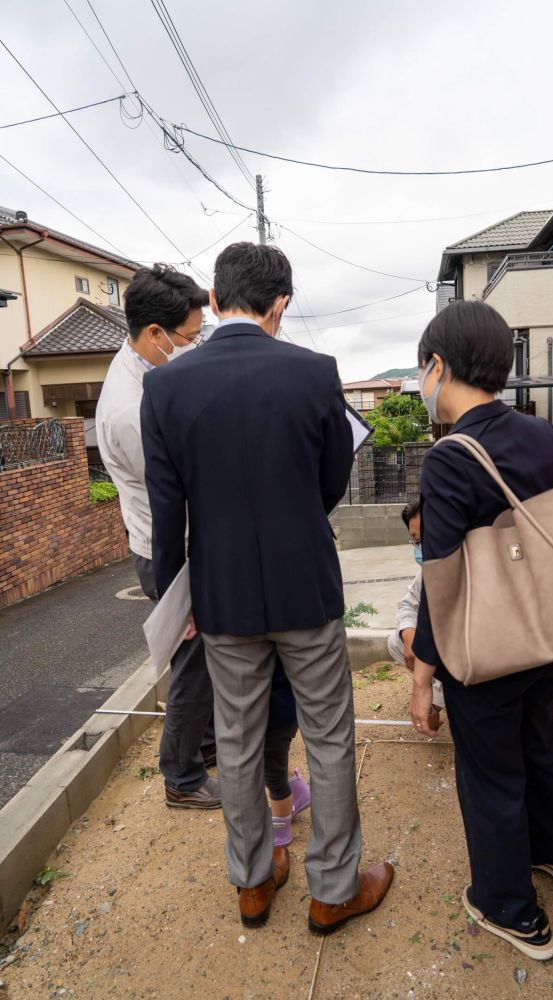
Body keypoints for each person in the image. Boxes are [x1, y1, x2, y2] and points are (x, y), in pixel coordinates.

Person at [140, 242, 394, 932]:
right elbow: (330, 482)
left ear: (216, 302)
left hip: (220, 597)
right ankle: (333, 888)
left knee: (238, 738)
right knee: (329, 736)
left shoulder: (164, 387)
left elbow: (168, 514)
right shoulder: (314, 373)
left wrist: (176, 601)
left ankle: (252, 883)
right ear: (279, 302)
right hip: (304, 585)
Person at [97, 265, 310, 838]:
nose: (194, 345)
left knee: (212, 661)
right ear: (155, 334)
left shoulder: (149, 371)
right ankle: (183, 776)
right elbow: (179, 494)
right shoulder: (128, 410)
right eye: (189, 337)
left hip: (183, 539)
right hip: (168, 548)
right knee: (191, 660)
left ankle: (212, 748)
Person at [410, 299, 553, 963]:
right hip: (551, 631)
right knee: (541, 741)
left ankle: (511, 910)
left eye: (423, 368)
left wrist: (423, 675)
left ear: (438, 365)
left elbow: (441, 581)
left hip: (487, 648)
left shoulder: (449, 456)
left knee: (490, 772)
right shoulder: (537, 434)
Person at [387, 500, 444, 718]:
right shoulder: (427, 571)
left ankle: (435, 700)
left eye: (421, 540)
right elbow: (407, 604)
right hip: (441, 652)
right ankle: (435, 694)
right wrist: (409, 638)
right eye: (415, 541)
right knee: (396, 641)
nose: (419, 548)